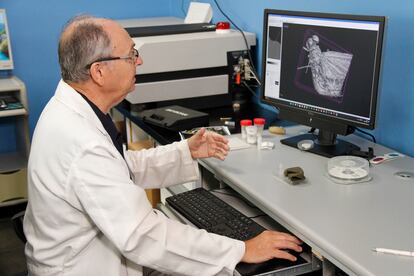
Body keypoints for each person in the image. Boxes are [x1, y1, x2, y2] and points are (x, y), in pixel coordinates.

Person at [23, 15, 302, 276]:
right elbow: (142, 236)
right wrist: (242, 249)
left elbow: (116, 169)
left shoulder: (72, 109)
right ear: (99, 72)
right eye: (131, 55)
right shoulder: (82, 141)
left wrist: (183, 151)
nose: (140, 61)